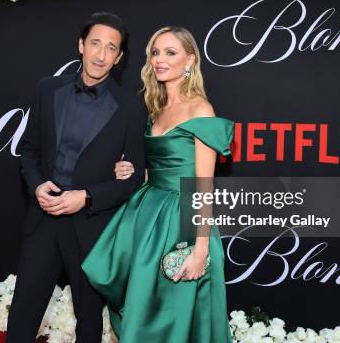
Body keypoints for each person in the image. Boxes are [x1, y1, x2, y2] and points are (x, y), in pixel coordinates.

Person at [82, 26, 235, 343]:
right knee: (145, 307)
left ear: (190, 59)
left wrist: (200, 250)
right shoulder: (155, 107)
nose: (159, 60)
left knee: (175, 313)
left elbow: (204, 186)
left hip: (183, 220)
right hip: (147, 215)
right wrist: (130, 170)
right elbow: (154, 170)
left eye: (170, 52)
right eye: (155, 52)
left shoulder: (200, 110)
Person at [6, 13, 147, 343]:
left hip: (91, 226)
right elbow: (28, 150)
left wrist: (85, 196)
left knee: (88, 320)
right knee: (24, 309)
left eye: (111, 48)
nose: (100, 55)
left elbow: (132, 180)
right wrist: (38, 184)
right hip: (43, 218)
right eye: (95, 44)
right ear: (81, 45)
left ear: (120, 57)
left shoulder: (131, 108)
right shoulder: (47, 89)